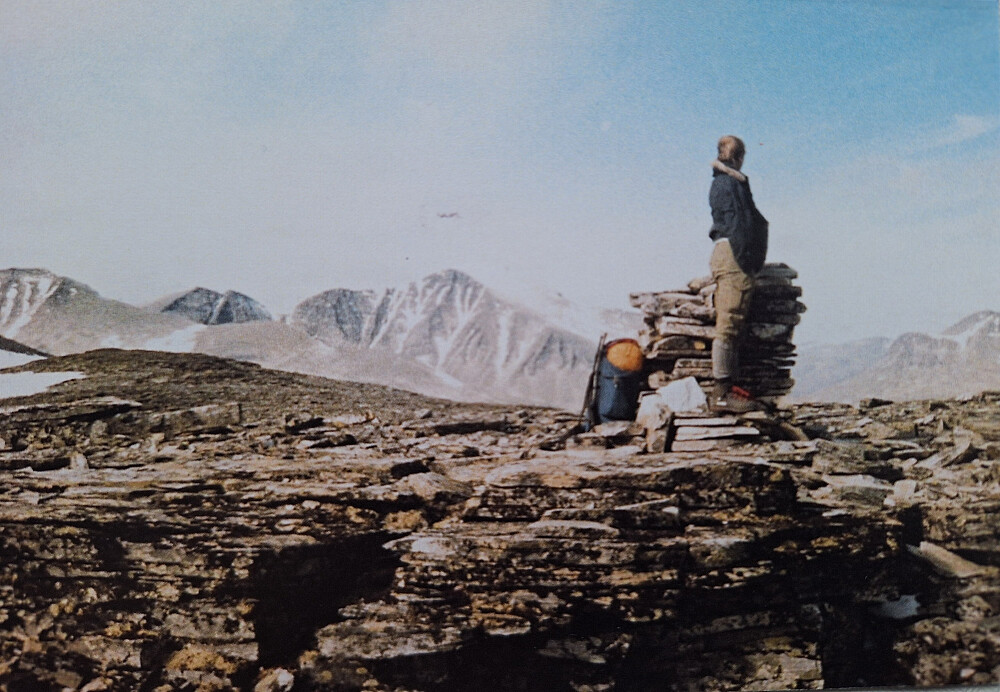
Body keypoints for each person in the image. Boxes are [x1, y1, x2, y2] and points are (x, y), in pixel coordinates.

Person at [707, 135, 768, 412]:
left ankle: (728, 388)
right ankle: (721, 393)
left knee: (733, 320)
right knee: (729, 321)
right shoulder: (729, 184)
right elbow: (739, 224)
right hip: (734, 253)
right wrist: (748, 260)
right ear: (740, 157)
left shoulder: (726, 182)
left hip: (728, 251)